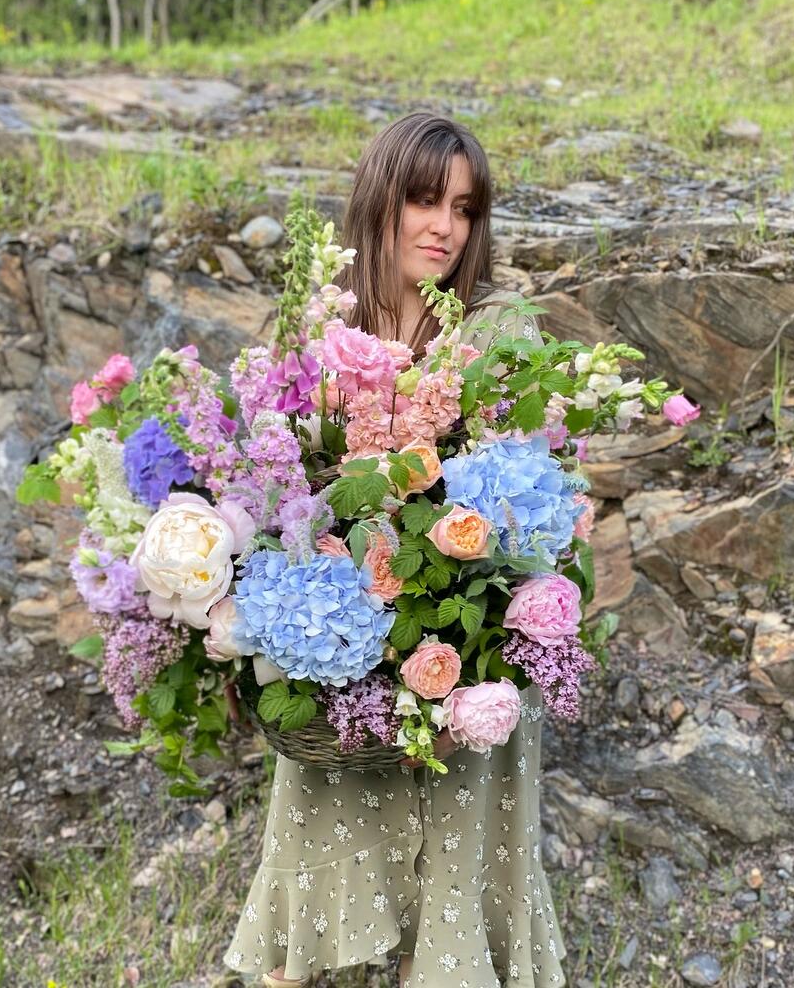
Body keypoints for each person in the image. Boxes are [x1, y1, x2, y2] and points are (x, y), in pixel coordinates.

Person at [223, 112, 567, 988]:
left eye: (461, 206)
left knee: (452, 876)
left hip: (462, 644)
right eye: (423, 199)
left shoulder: (495, 333)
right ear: (381, 199)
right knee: (311, 843)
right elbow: (267, 496)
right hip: (340, 654)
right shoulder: (310, 332)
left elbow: (532, 496)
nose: (443, 226)